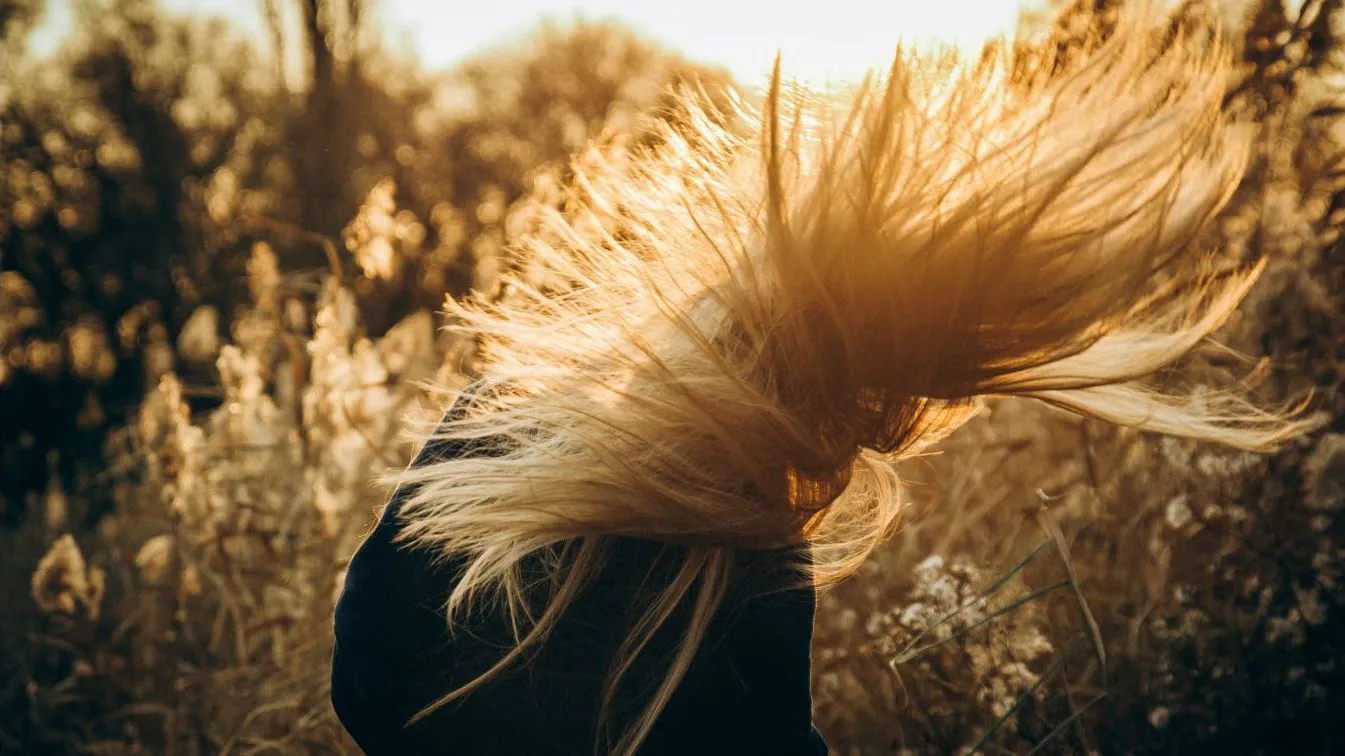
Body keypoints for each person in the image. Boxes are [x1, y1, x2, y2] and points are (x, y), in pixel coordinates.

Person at [331, 12, 1314, 756]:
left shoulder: (507, 411)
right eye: (912, 396)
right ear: (863, 391)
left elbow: (362, 673)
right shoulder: (746, 548)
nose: (908, 427)